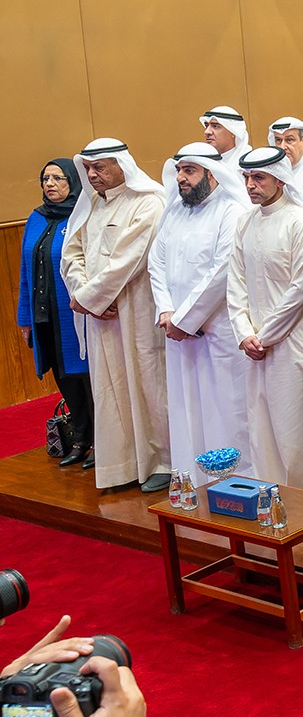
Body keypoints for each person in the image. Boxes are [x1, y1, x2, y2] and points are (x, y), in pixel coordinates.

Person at [63, 139, 170, 492]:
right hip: (101, 315)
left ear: (123, 165)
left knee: (147, 386)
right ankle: (121, 463)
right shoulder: (91, 203)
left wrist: (91, 297)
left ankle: (162, 462)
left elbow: (129, 260)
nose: (93, 175)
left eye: (101, 167)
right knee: (110, 389)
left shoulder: (148, 202)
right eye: (88, 169)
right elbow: (71, 254)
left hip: (135, 312)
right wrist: (84, 296)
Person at [228, 147, 303, 494]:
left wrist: (265, 337)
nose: (250, 185)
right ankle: (274, 499)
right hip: (257, 346)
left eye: (258, 178)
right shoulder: (245, 222)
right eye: (247, 178)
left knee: (301, 430)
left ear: (280, 179)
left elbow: (301, 289)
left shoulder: (302, 222)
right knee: (262, 427)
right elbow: (235, 282)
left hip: (297, 343)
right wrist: (244, 333)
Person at [149, 145, 252, 480]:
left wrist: (185, 319)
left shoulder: (231, 211)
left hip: (217, 331)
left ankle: (234, 482)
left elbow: (222, 271)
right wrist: (167, 311)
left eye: (189, 171)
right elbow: (156, 263)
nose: (181, 178)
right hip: (178, 333)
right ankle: (192, 479)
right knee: (184, 408)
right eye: (179, 171)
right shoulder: (175, 211)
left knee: (223, 409)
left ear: (211, 173)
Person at [19, 158, 93, 467]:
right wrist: (25, 319)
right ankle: (80, 439)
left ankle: (103, 442)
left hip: (76, 315)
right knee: (63, 377)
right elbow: (25, 271)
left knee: (87, 379)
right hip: (44, 315)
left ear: (73, 182)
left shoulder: (83, 216)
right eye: (45, 178)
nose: (50, 184)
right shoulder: (37, 218)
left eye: (58, 178)